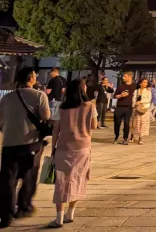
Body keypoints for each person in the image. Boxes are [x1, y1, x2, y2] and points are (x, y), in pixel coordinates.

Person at [0, 67, 51, 228]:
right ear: (31, 78)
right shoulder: (39, 95)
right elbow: (46, 117)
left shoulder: (6, 98)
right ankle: (24, 206)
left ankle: (5, 214)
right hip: (31, 143)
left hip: (9, 143)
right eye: (35, 75)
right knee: (29, 177)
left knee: (8, 181)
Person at [48, 79, 97, 228]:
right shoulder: (90, 106)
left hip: (63, 147)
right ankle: (71, 213)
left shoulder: (61, 108)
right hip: (83, 147)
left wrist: (53, 150)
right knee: (78, 178)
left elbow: (55, 131)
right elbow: (94, 125)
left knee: (61, 181)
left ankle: (59, 218)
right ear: (83, 89)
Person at [113, 72, 136, 145]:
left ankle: (125, 138)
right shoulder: (121, 86)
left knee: (126, 123)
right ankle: (116, 137)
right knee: (117, 123)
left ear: (130, 77)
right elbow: (115, 96)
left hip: (128, 107)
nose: (123, 78)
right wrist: (121, 95)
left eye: (125, 76)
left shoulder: (135, 86)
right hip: (119, 106)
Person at [129, 78, 152, 145]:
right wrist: (134, 105)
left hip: (144, 108)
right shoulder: (136, 91)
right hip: (136, 109)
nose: (145, 84)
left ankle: (140, 138)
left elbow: (149, 100)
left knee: (143, 124)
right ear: (140, 83)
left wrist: (141, 102)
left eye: (146, 82)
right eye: (144, 82)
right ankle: (132, 136)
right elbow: (133, 99)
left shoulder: (148, 91)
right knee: (134, 124)